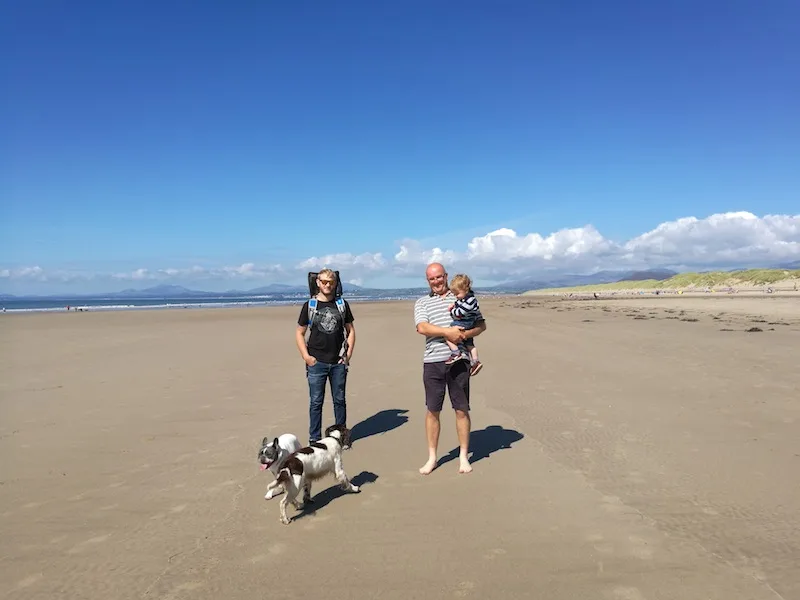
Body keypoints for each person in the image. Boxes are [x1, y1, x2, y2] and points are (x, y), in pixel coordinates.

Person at [414, 262, 486, 475]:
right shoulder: (422, 302)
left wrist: (462, 336)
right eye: (431, 279)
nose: (436, 281)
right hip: (432, 361)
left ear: (445, 276)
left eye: (439, 277)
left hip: (460, 360)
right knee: (432, 410)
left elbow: (481, 325)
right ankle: (432, 458)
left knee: (461, 409)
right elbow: (422, 327)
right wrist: (448, 332)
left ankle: (463, 456)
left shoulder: (461, 296)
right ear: (428, 281)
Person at [295, 269, 356, 443]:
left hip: (338, 362)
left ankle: (341, 437)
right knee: (316, 402)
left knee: (339, 400)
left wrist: (348, 354)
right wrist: (306, 357)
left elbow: (350, 331)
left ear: (335, 283)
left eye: (331, 282)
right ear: (318, 282)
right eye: (324, 282)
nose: (327, 285)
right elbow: (300, 333)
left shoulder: (342, 305)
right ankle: (314, 439)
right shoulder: (310, 306)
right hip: (316, 362)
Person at [443, 273, 483, 375]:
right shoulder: (465, 299)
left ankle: (456, 352)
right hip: (469, 323)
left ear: (466, 289)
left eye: (457, 294)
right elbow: (459, 303)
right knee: (469, 344)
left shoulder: (470, 300)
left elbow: (460, 312)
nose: (456, 296)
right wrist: (455, 304)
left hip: (465, 323)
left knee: (448, 335)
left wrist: (452, 311)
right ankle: (475, 361)